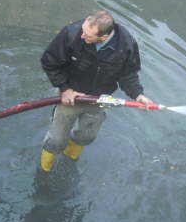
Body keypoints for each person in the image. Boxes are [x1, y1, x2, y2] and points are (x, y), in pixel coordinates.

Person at [39, 10, 152, 171]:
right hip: (71, 96)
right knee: (56, 140)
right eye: (83, 30)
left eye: (87, 35)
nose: (82, 36)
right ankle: (44, 170)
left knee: (86, 136)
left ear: (103, 37)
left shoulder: (126, 45)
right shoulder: (71, 34)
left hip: (98, 99)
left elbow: (128, 75)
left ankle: (69, 160)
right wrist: (65, 89)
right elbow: (49, 62)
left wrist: (138, 94)